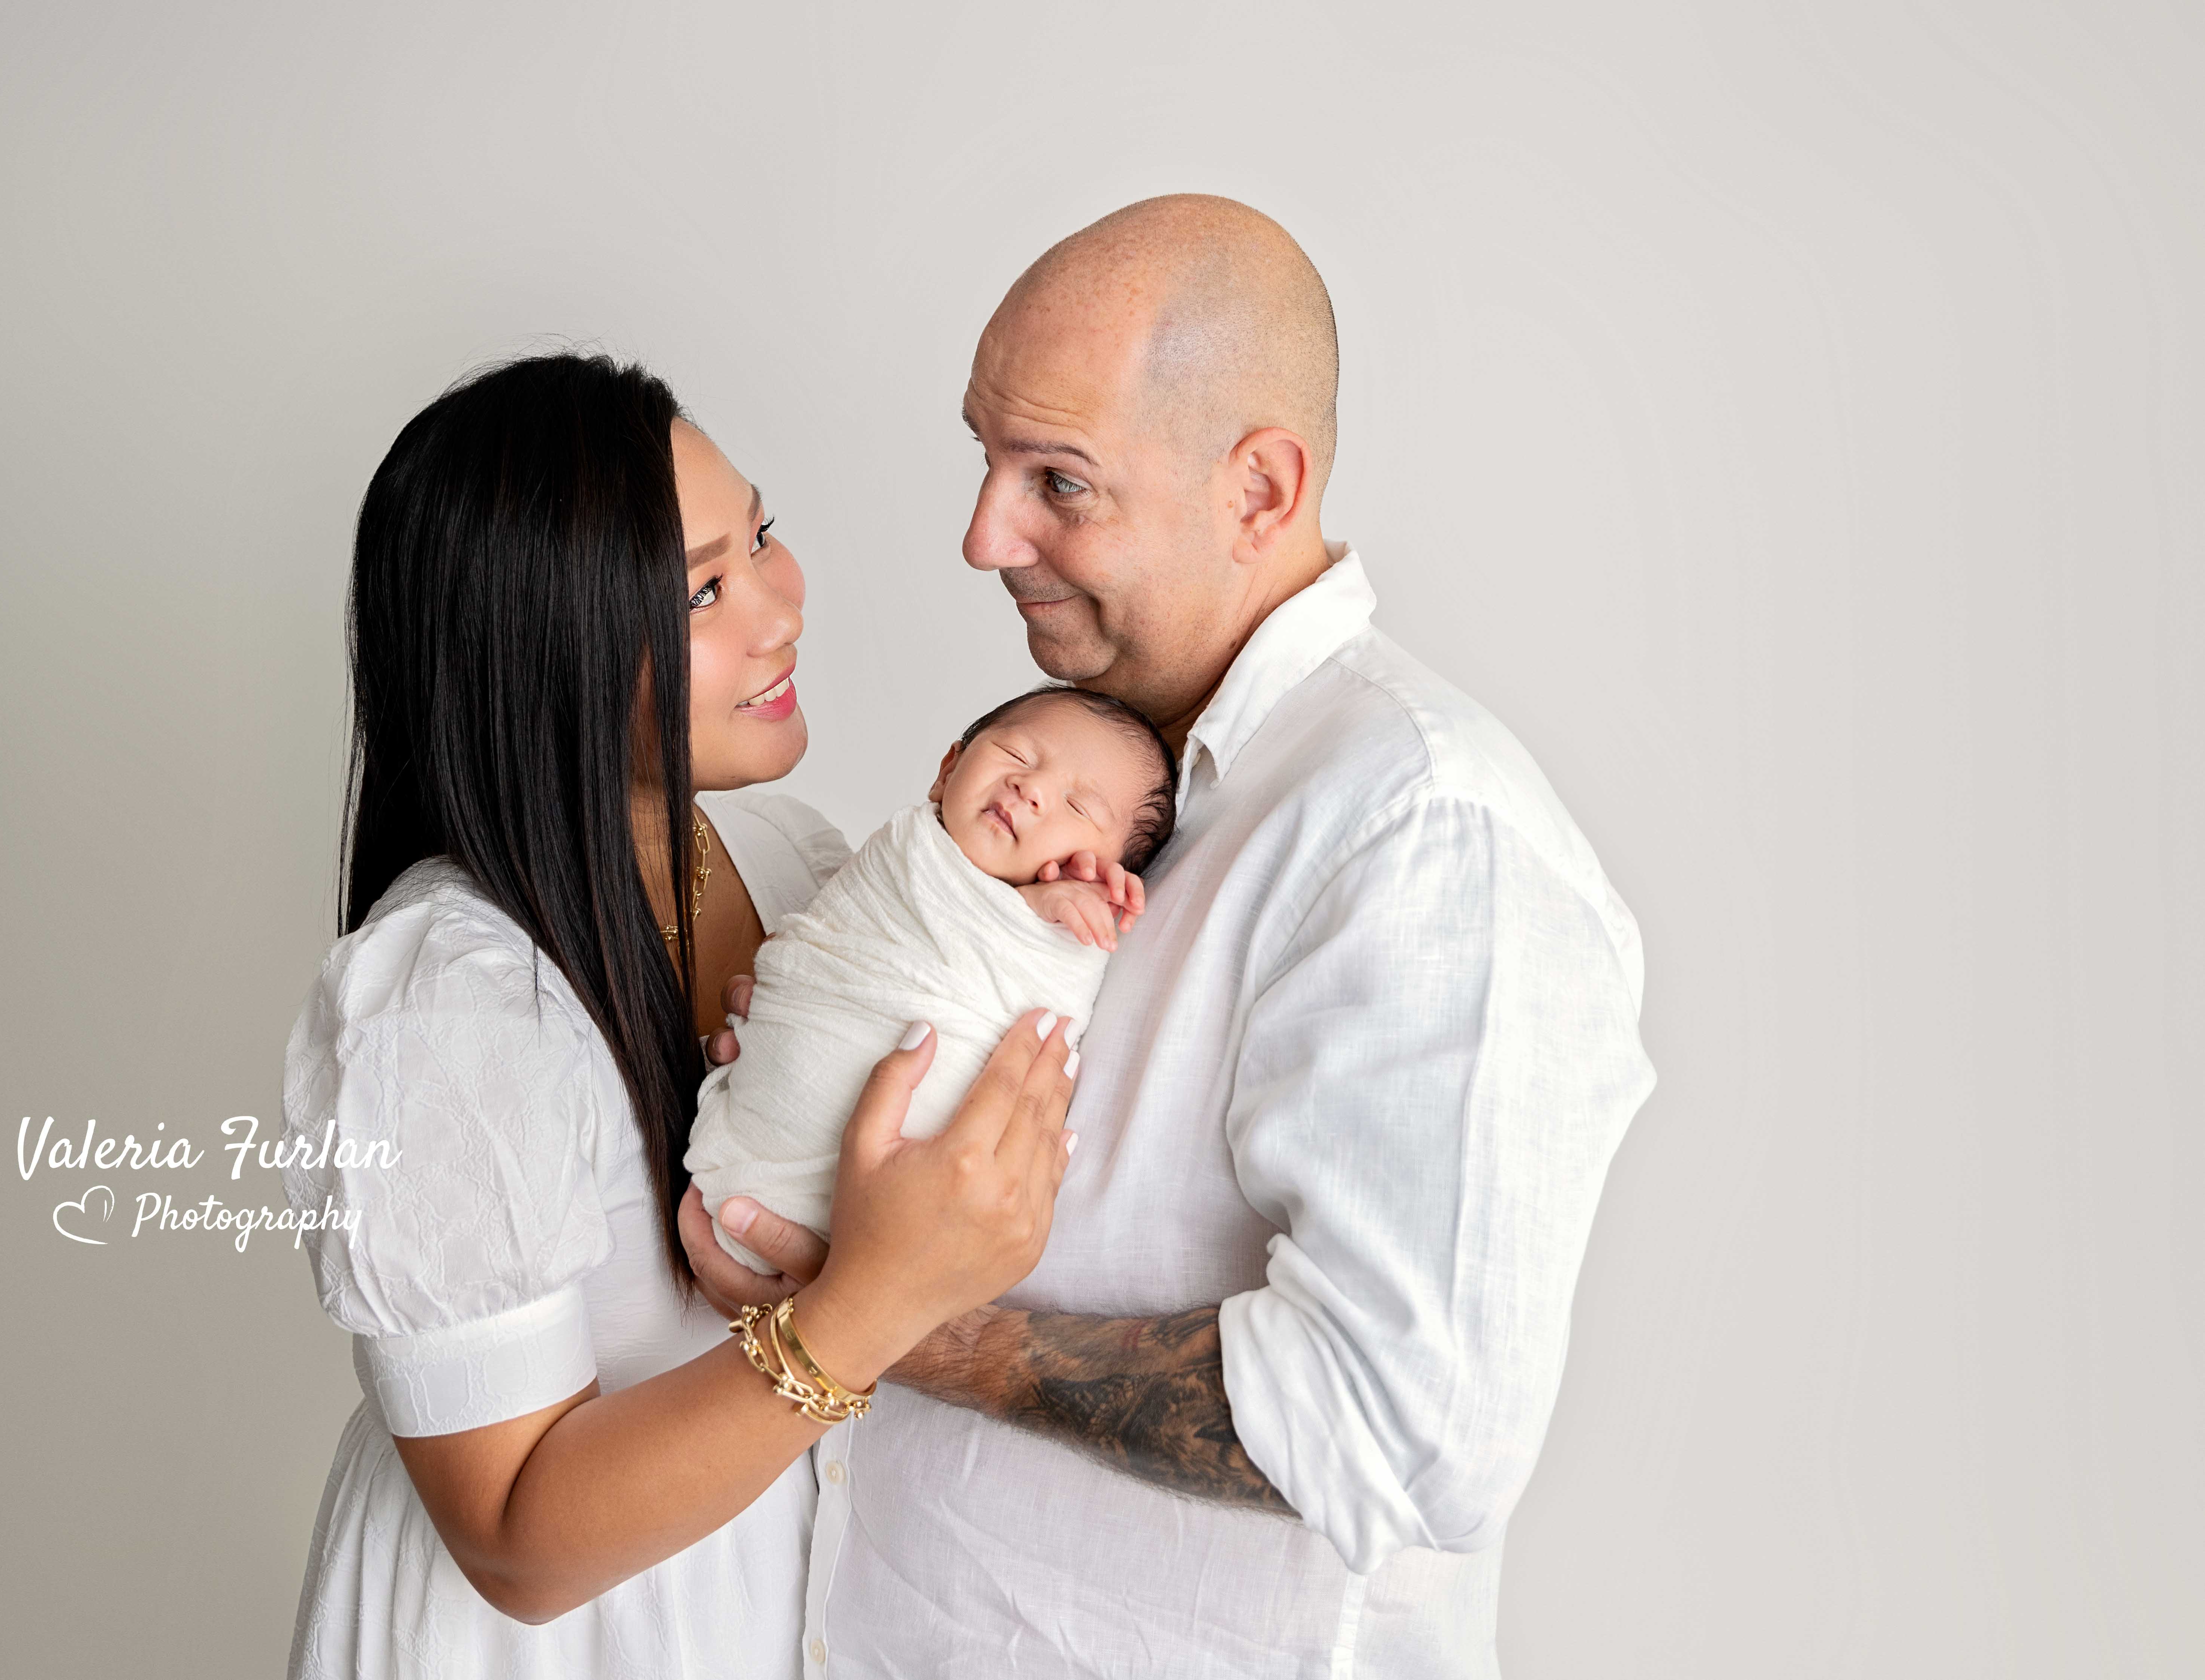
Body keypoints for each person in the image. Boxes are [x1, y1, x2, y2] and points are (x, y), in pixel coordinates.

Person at [684, 196, 1659, 1676]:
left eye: (1057, 480)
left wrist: (893, 1316)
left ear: (1259, 489)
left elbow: (1403, 1426)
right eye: (985, 459)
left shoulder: (1422, 832)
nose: (981, 534)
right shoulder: (1095, 773)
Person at [277, 352, 1088, 1680]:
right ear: (550, 658)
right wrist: (874, 1300)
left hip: (768, 1601)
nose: (781, 608)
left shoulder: (796, 863)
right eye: (704, 589)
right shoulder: (449, 1008)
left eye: (761, 535)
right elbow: (517, 1542)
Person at [687, 684, 1175, 1270]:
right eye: (1017, 756)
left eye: (1079, 808)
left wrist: (1051, 926)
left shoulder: (1067, 936)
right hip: (767, 1107)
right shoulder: (904, 851)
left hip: (902, 1219)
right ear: (947, 771)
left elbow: (1045, 1012)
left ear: (1109, 871)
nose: (1032, 787)